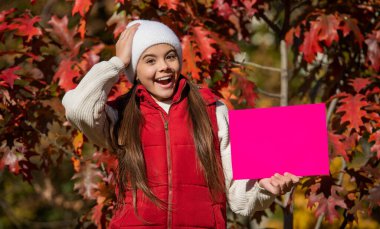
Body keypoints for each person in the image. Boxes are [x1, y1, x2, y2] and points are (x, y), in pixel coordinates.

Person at [62, 20, 299, 229]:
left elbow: (239, 199)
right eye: (149, 60)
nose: (164, 66)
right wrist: (116, 63)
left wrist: (265, 188)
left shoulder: (212, 110)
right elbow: (78, 107)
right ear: (134, 70)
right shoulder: (120, 114)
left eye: (170, 56)